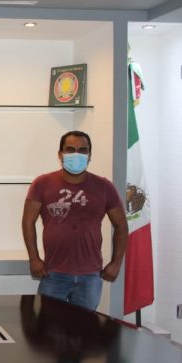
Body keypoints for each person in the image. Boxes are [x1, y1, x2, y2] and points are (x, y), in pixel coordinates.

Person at [21, 130, 128, 311]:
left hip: (90, 276)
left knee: (84, 327)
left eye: (82, 150)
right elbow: (28, 221)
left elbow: (121, 225)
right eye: (70, 149)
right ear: (60, 154)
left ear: (89, 155)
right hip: (53, 273)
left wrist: (116, 263)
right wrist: (34, 258)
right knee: (49, 325)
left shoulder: (104, 186)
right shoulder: (42, 183)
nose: (76, 155)